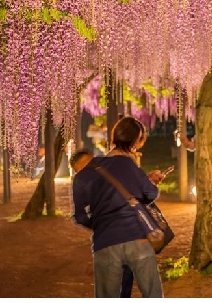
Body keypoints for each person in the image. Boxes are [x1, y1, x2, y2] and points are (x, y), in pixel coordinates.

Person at [72, 116, 165, 298]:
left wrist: (100, 223)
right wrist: (150, 182)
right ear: (135, 142)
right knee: (152, 294)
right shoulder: (129, 164)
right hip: (138, 238)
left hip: (105, 242)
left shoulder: (85, 174)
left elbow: (80, 216)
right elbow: (151, 195)